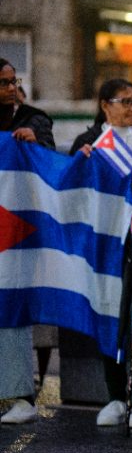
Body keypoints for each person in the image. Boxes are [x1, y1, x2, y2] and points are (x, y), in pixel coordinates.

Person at [70, 79, 132, 429]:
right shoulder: (88, 141)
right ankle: (115, 395)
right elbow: (73, 189)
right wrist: (81, 163)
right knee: (109, 315)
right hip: (105, 241)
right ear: (104, 104)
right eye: (124, 101)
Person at [0, 58, 53, 424]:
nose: (10, 87)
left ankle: (20, 395)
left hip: (19, 234)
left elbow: (52, 164)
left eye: (12, 80)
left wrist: (37, 145)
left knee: (13, 314)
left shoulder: (33, 118)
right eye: (2, 82)